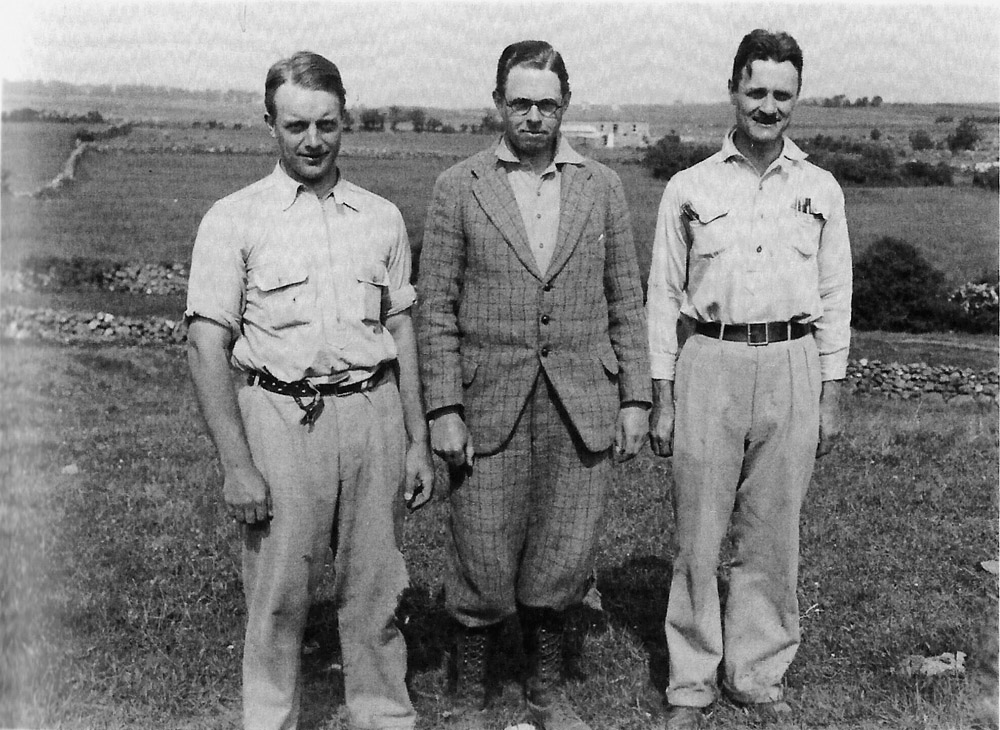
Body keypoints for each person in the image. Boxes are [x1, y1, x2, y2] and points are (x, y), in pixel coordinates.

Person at [186, 51, 434, 730]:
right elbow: (207, 345)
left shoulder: (380, 218)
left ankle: (383, 713)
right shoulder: (233, 218)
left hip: (372, 414)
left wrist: (416, 439)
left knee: (378, 588)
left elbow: (402, 329)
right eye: (296, 125)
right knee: (278, 591)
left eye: (327, 123)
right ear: (270, 123)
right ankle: (270, 718)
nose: (313, 140)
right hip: (277, 417)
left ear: (346, 118)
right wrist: (237, 464)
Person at [417, 39, 651, 730]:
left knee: (565, 551)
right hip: (488, 402)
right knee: (482, 550)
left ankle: (547, 690)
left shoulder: (601, 187)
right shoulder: (459, 187)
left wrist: (635, 397)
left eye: (548, 105)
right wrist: (444, 408)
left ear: (565, 107)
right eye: (520, 103)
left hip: (582, 401)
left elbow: (626, 301)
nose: (534, 118)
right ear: (498, 104)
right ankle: (469, 695)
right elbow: (435, 308)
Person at [646, 29, 852, 729]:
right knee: (698, 533)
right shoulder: (690, 186)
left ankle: (758, 673)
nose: (768, 106)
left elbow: (835, 293)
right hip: (710, 359)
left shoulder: (821, 189)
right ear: (733, 89)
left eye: (782, 94)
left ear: (797, 98)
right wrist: (663, 393)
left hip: (792, 361)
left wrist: (829, 391)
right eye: (756, 91)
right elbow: (660, 296)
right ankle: (692, 681)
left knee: (772, 533)